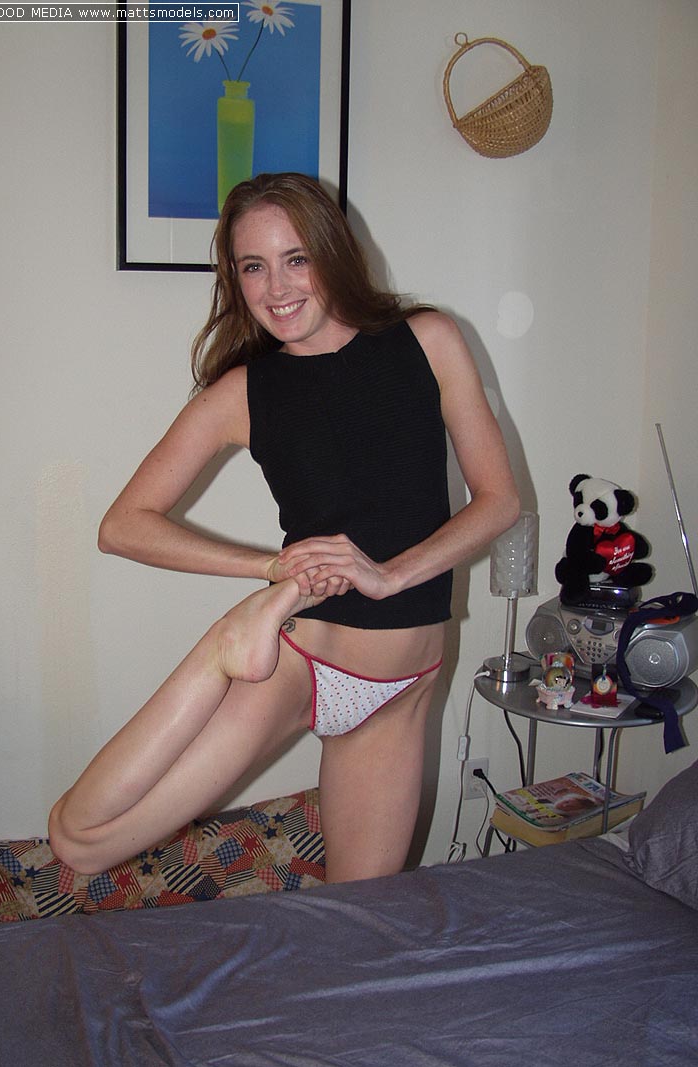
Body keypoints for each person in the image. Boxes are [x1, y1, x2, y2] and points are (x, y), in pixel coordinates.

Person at [48, 173, 520, 882]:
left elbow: (499, 500)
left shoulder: (429, 340)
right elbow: (122, 526)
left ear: (333, 252)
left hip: (403, 687)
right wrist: (270, 569)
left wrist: (389, 574)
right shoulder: (245, 391)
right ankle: (223, 647)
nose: (277, 287)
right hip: (300, 660)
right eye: (253, 266)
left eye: (296, 258)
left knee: (359, 918)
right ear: (234, 278)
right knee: (80, 841)